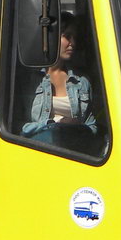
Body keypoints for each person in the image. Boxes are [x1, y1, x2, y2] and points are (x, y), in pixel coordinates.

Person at [22, 14, 98, 145]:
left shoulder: (81, 82)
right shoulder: (32, 79)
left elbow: (92, 127)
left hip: (74, 150)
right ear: (52, 37)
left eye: (75, 38)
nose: (72, 43)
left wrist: (77, 127)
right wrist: (56, 124)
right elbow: (20, 126)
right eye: (67, 36)